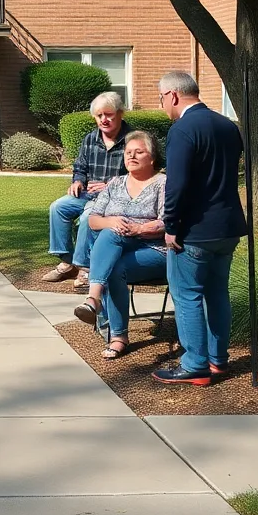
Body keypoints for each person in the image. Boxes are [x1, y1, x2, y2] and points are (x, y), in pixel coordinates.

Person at [153, 71, 246, 386]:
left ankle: (195, 364)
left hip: (194, 231)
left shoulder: (182, 130)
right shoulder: (228, 127)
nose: (163, 105)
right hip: (228, 226)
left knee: (187, 294)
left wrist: (170, 225)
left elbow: (176, 185)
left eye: (162, 98)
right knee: (218, 292)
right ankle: (218, 359)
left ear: (174, 95)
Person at [71, 131, 168, 359]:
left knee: (111, 246)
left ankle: (94, 301)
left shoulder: (162, 183)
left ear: (152, 157)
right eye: (128, 152)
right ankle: (118, 335)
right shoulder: (115, 183)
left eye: (139, 152)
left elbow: (168, 222)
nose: (131, 156)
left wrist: (138, 229)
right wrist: (111, 221)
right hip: (118, 248)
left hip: (154, 250)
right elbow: (94, 219)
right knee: (110, 238)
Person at [43, 92, 131, 293]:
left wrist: (108, 184)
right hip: (87, 194)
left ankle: (85, 268)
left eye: (108, 114)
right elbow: (80, 167)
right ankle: (67, 262)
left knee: (87, 217)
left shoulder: (132, 139)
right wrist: (77, 181)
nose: (104, 120)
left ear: (120, 113)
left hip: (114, 198)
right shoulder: (90, 138)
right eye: (99, 116)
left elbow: (137, 174)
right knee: (58, 207)